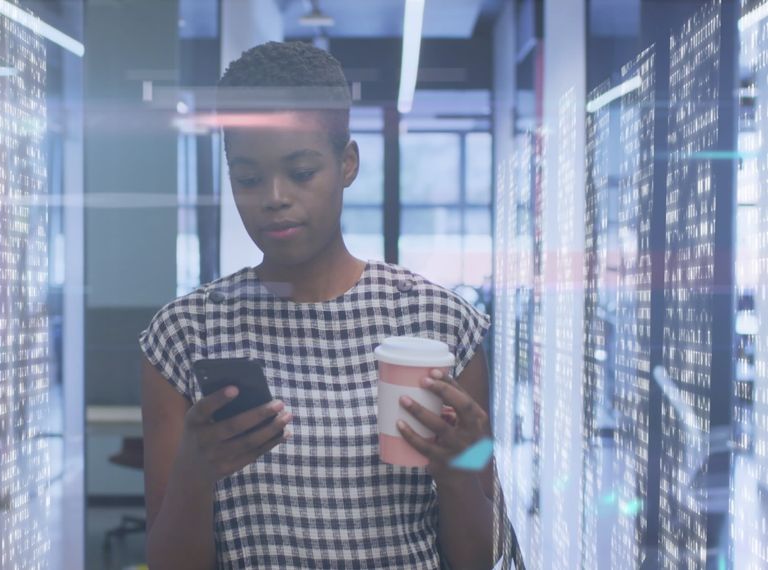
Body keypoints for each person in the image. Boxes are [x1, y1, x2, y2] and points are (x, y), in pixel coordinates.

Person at [139, 41, 516, 569]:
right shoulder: (185, 333)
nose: (274, 196)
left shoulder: (439, 322)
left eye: (301, 172)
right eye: (248, 178)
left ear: (347, 163)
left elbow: (481, 557)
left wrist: (463, 467)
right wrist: (195, 475)